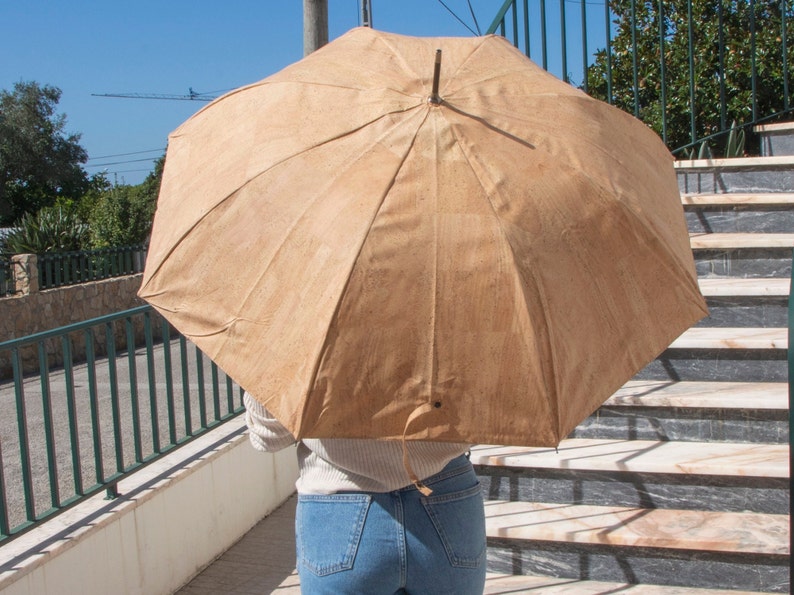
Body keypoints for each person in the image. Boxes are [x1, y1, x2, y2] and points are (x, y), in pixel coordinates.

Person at [243, 392, 487, 595]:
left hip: (338, 504)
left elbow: (268, 434)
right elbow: (490, 410)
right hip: (447, 500)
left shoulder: (302, 330)